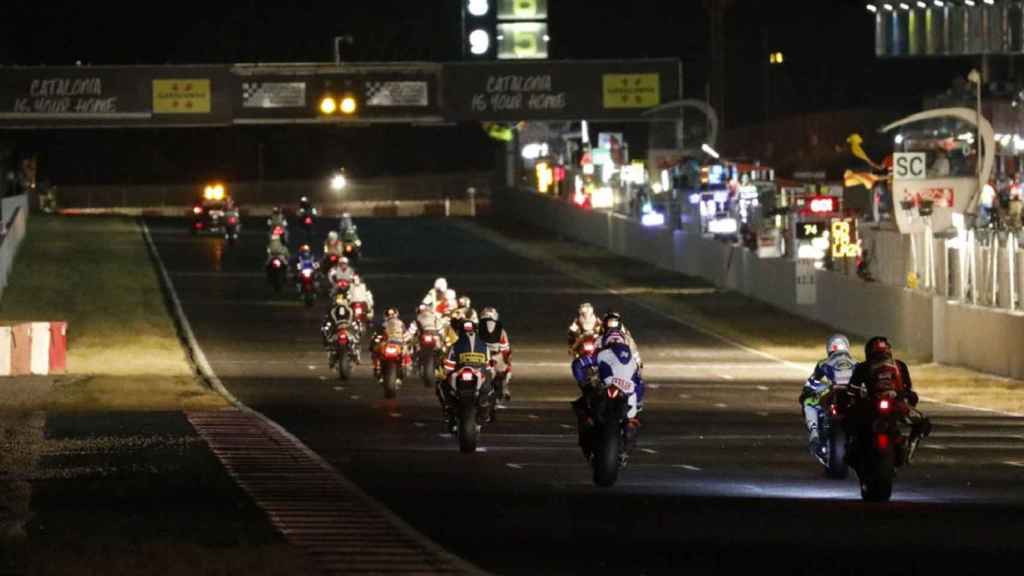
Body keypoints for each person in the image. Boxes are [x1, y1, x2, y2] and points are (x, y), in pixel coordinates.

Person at [848, 336, 931, 464]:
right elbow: (908, 389)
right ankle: (909, 449)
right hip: (884, 405)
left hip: (882, 406)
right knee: (923, 422)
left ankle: (908, 449)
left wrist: (854, 401)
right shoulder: (899, 365)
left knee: (923, 423)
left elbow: (852, 391)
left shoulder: (863, 367)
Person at [570, 327, 645, 461]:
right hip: (623, 398)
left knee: (582, 408)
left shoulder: (602, 354)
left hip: (609, 396)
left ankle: (620, 448)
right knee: (633, 420)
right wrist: (638, 402)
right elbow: (640, 382)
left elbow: (577, 364)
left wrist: (583, 383)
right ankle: (624, 452)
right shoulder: (633, 359)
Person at [799, 334, 857, 458]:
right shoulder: (856, 363)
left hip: (834, 393)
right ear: (846, 347)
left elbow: (812, 383)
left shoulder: (824, 363)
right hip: (852, 395)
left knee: (808, 401)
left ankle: (814, 433)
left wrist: (807, 392)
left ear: (829, 348)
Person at [438, 317, 494, 431]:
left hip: (462, 376)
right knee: (489, 387)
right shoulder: (485, 346)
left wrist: (444, 372)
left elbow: (448, 366)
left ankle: (449, 409)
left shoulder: (455, 345)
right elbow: (489, 366)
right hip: (478, 376)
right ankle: (483, 410)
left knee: (441, 385)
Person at [479, 307, 512, 401]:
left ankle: (504, 388)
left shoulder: (476, 329)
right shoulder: (501, 331)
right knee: (506, 369)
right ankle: (505, 388)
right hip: (494, 357)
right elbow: (505, 349)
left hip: (481, 357)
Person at [372, 308, 411, 382]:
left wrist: (373, 344)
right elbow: (407, 336)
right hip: (396, 344)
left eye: (391, 314)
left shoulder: (384, 324)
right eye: (389, 314)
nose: (390, 316)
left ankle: (377, 368)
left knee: (375, 353)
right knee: (406, 353)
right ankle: (405, 367)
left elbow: (376, 336)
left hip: (388, 344)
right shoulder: (400, 323)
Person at [321, 293, 359, 365]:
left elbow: (355, 320)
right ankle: (331, 353)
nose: (341, 302)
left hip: (347, 329)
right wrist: (326, 328)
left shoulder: (350, 309)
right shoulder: (332, 310)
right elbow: (328, 321)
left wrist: (356, 328)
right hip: (337, 329)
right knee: (326, 336)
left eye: (342, 300)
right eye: (339, 299)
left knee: (356, 338)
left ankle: (355, 353)